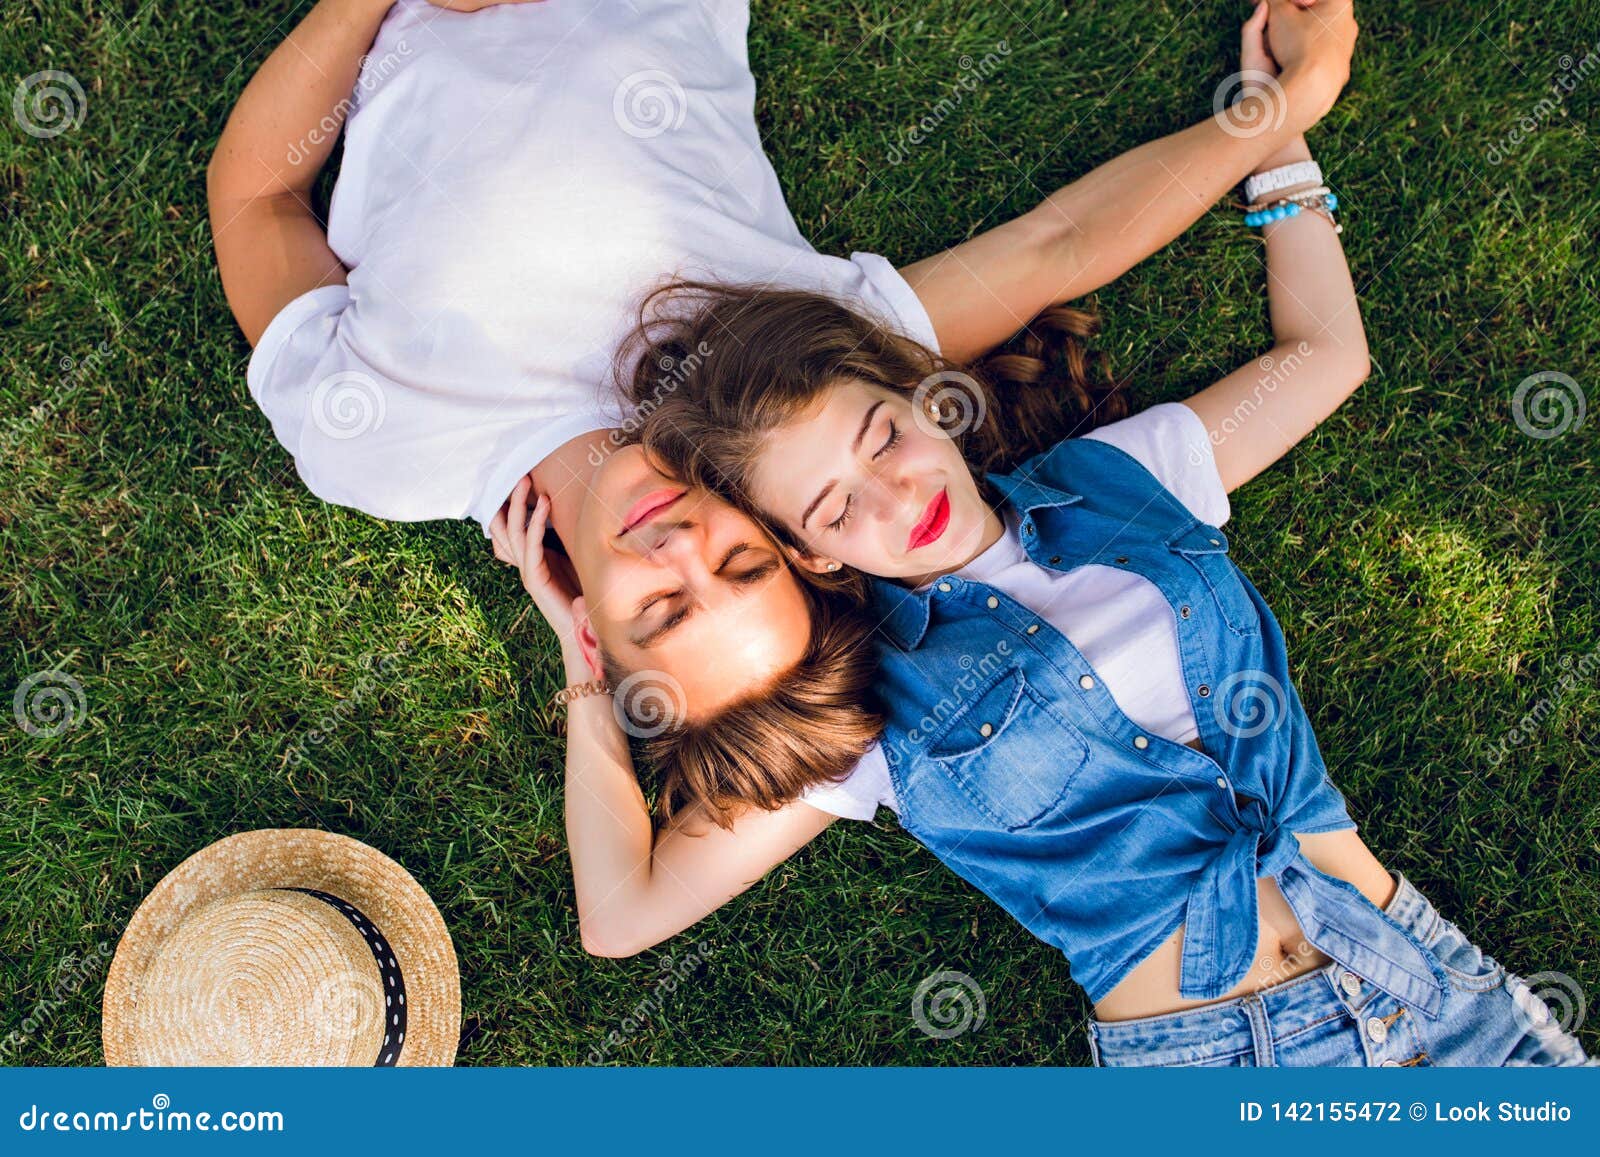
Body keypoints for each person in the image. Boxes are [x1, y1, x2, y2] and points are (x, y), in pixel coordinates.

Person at [500, 2, 1595, 1066]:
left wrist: (1281, 126)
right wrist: (584, 662)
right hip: (1213, 1058)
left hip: (1442, 1001)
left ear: (926, 398)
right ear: (810, 554)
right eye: (833, 508)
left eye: (881, 437)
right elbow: (621, 913)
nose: (891, 498)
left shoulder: (1118, 483)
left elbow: (1325, 359)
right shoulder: (868, 703)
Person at [212, 0, 1357, 814]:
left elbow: (259, 195)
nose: (676, 548)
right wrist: (1280, 111)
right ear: (788, 538)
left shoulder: (389, 450)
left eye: (661, 610)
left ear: (598, 653)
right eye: (743, 568)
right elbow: (1059, 247)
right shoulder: (777, 377)